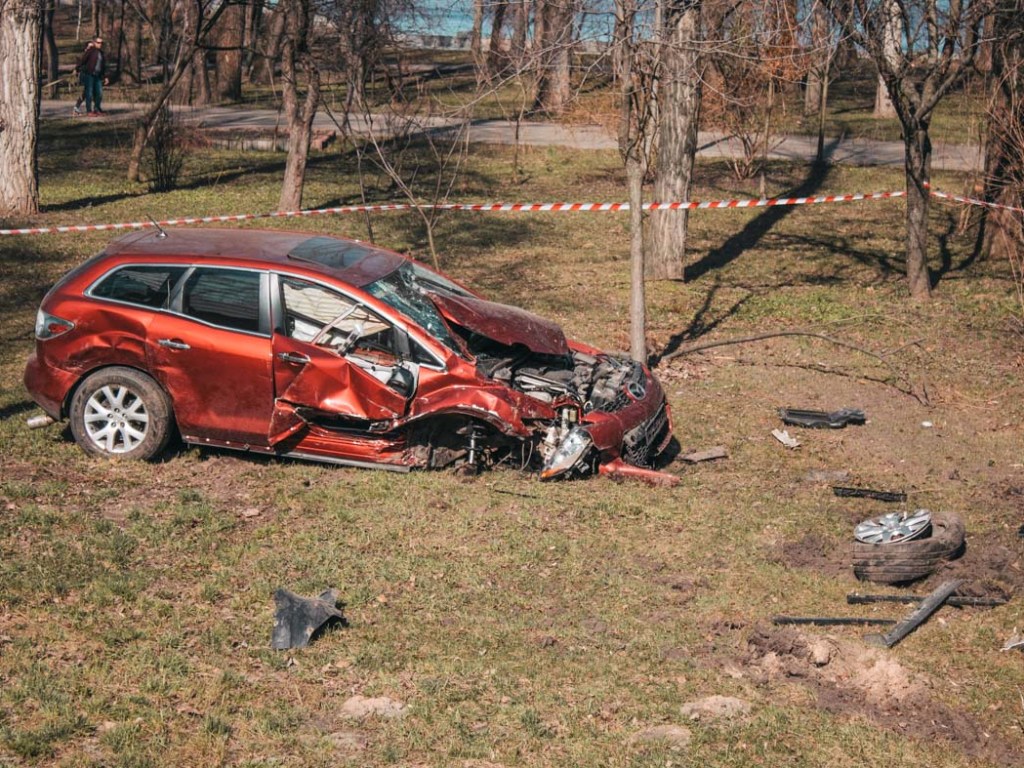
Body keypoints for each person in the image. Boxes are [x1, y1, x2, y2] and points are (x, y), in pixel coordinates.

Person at [78, 36, 108, 116]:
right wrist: (77, 68)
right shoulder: (91, 51)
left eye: (101, 43)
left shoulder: (101, 53)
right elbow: (83, 60)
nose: (100, 44)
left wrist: (105, 77)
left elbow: (103, 67)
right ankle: (89, 111)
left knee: (99, 93)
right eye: (98, 43)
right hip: (89, 75)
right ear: (94, 43)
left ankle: (97, 109)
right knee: (89, 93)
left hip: (98, 76)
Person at [72, 40, 95, 116]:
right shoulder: (86, 55)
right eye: (90, 47)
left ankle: (76, 108)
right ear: (86, 48)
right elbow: (80, 63)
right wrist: (76, 69)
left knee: (86, 92)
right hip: (85, 75)